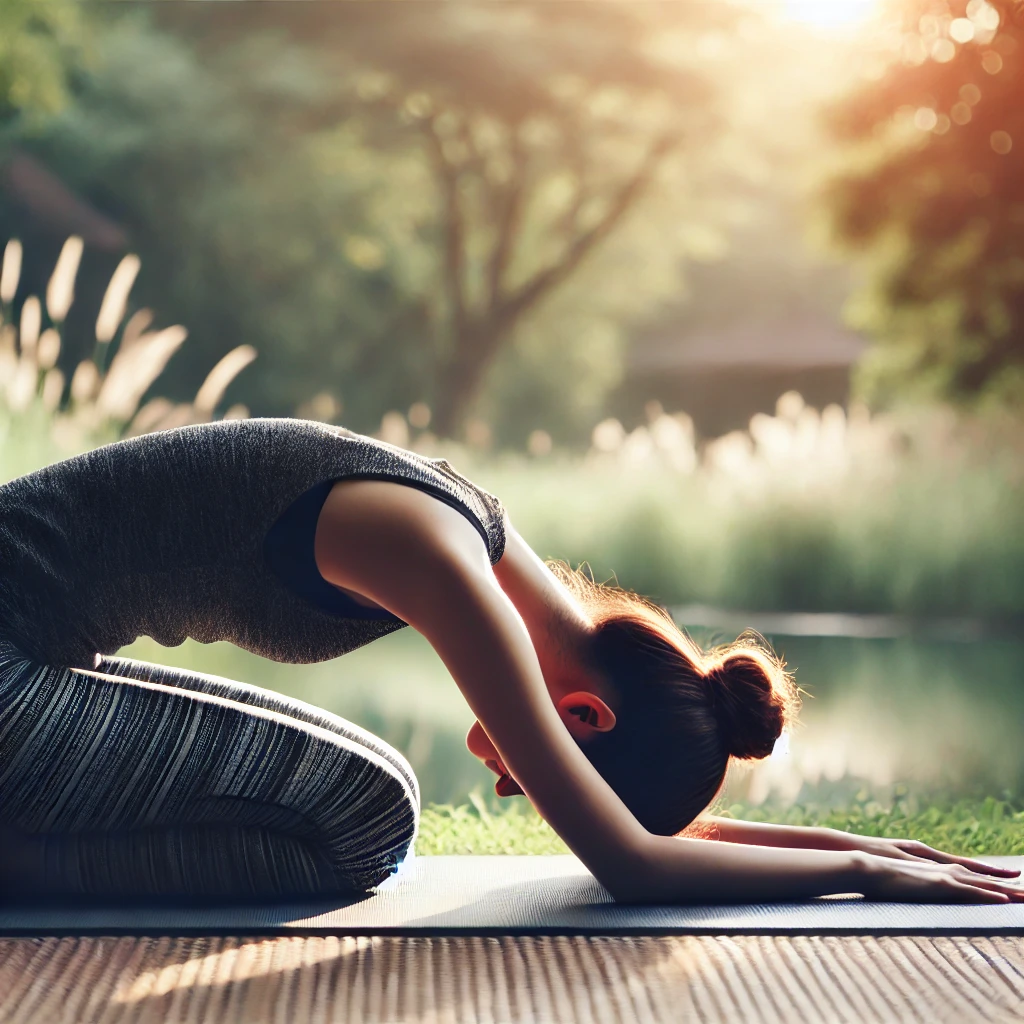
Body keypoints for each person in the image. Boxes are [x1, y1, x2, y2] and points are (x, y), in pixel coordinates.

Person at [0, 418, 1019, 904]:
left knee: (368, 803)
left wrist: (879, 847)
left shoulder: (486, 548)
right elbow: (628, 861)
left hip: (32, 659)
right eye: (530, 779)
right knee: (367, 813)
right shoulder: (453, 570)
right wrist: (862, 869)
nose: (507, 779)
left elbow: (634, 825)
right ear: (585, 721)